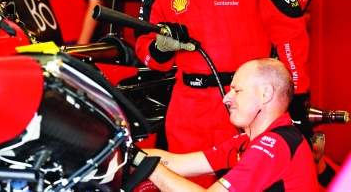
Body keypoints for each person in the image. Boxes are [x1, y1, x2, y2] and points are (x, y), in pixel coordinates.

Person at [135, 0, 311, 187]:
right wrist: (160, 46)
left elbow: (290, 36)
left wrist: (297, 103)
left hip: (251, 105)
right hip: (188, 112)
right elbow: (147, 54)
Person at [131, 58, 318, 192]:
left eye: (237, 90)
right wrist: (129, 154)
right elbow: (179, 163)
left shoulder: (274, 144)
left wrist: (151, 169)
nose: (226, 98)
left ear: (265, 94)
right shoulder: (247, 141)